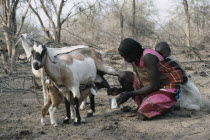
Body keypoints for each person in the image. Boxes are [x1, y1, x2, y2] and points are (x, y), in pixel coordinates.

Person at [111, 38, 188, 119]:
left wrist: (129, 93)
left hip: (167, 87)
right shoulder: (134, 58)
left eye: (126, 56)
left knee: (143, 114)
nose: (126, 59)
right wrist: (121, 90)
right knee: (123, 76)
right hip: (150, 85)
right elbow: (140, 78)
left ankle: (165, 107)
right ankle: (144, 103)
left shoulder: (148, 57)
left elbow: (154, 85)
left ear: (134, 52)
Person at [155, 42, 202, 110]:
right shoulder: (164, 61)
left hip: (184, 86)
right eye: (158, 54)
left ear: (169, 51)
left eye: (163, 53)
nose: (161, 55)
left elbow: (183, 79)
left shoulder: (171, 61)